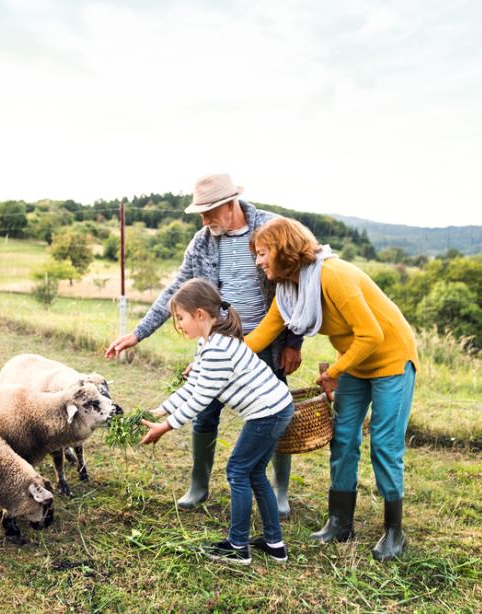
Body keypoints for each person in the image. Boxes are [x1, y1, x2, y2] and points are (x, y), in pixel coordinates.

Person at [105, 173, 303, 517]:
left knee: (273, 412)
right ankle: (199, 486)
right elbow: (175, 290)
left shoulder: (271, 228)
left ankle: (279, 491)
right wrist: (138, 333)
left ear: (230, 205)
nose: (204, 219)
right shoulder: (203, 241)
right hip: (221, 342)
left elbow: (295, 287)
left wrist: (293, 343)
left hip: (268, 343)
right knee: (205, 408)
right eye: (201, 213)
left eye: (209, 211)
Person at [245, 217, 419, 561]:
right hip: (355, 361)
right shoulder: (290, 290)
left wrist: (335, 372)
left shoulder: (333, 275)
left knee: (384, 444)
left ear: (284, 249)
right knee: (343, 438)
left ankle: (394, 533)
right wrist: (214, 359)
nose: (259, 261)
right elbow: (260, 336)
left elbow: (372, 335)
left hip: (392, 359)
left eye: (263, 253)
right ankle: (340, 522)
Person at [140, 279, 294, 565]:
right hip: (275, 408)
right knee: (255, 473)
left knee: (237, 471)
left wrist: (166, 426)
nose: (179, 325)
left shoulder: (217, 350)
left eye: (180, 318)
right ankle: (275, 544)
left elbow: (200, 400)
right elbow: (192, 387)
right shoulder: (209, 341)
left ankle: (238, 546)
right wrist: (157, 412)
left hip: (268, 412)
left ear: (200, 314)